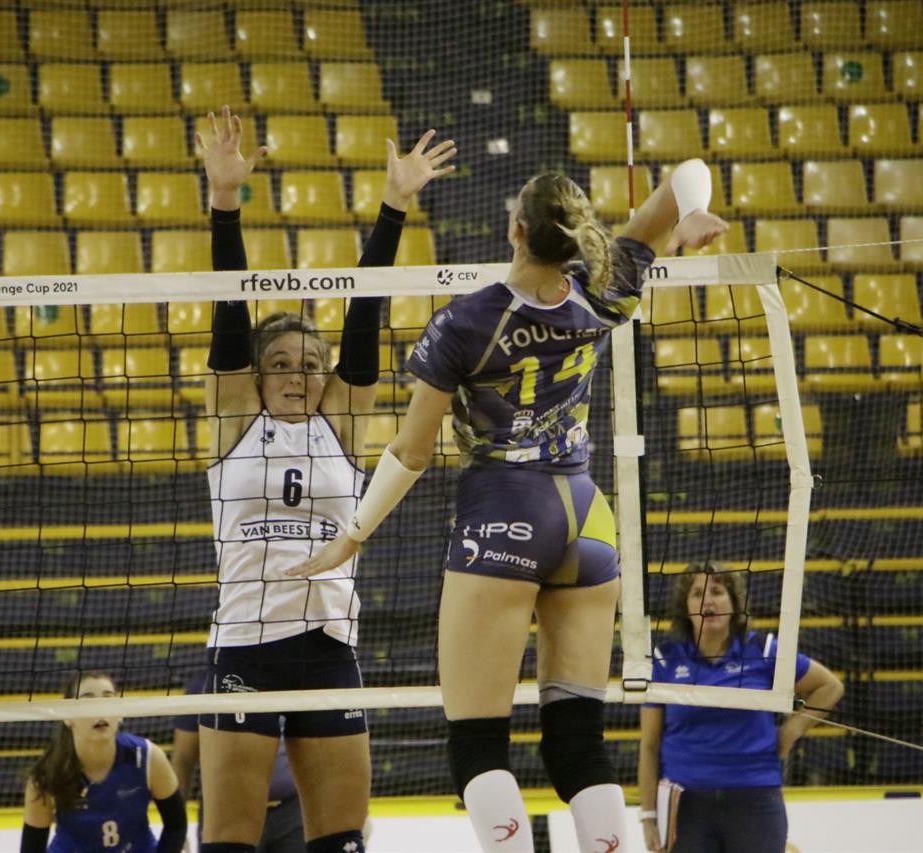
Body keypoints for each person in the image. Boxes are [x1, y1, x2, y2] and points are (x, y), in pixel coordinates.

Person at [290, 157, 729, 852]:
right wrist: (692, 212)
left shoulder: (466, 320)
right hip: (587, 517)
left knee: (477, 745)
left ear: (515, 229)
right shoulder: (607, 284)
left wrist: (353, 534)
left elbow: (411, 450)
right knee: (578, 746)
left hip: (504, 511)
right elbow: (688, 173)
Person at [193, 105, 456, 853]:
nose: (297, 375)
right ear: (255, 374)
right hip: (243, 644)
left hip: (329, 645)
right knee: (229, 842)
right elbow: (229, 314)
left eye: (311, 364)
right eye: (280, 363)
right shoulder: (234, 418)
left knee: (340, 841)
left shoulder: (339, 422)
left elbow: (364, 319)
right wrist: (224, 201)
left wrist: (394, 205)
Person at [637, 562, 845, 853]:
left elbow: (829, 686)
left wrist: (790, 732)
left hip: (755, 797)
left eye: (717, 591)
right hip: (686, 804)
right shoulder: (664, 659)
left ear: (734, 603)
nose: (708, 601)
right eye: (697, 593)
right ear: (685, 607)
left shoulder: (762, 651)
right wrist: (648, 816)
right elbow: (649, 745)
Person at [21, 671, 187, 853]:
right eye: (88, 701)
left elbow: (176, 825)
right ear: (67, 717)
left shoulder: (147, 757)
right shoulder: (47, 775)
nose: (99, 710)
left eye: (107, 699)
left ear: (120, 713)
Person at [171, 672, 304, 853]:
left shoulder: (296, 676)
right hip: (226, 811)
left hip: (292, 812)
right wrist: (177, 829)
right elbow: (183, 760)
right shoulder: (205, 684)